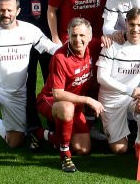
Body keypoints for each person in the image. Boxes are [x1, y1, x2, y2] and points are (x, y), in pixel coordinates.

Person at [0, 0, 60, 167]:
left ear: (18, 11)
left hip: (18, 93)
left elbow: (49, 47)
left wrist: (71, 50)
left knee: (14, 142)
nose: (5, 14)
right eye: (2, 10)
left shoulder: (29, 30)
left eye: (9, 10)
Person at [0, 0, 62, 137]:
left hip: (48, 40)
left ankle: (53, 123)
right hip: (21, 42)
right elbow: (0, 5)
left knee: (52, 83)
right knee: (26, 84)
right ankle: (33, 126)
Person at [37, 18, 102, 173]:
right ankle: (65, 155)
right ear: (68, 36)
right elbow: (58, 94)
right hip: (50, 100)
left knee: (83, 149)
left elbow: (113, 40)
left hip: (75, 103)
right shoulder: (60, 57)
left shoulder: (93, 46)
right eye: (73, 36)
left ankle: (41, 134)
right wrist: (87, 100)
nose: (78, 40)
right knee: (66, 109)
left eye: (81, 35)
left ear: (90, 37)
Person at [96, 8, 140, 155]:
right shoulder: (112, 44)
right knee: (120, 149)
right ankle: (113, 130)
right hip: (111, 99)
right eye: (132, 24)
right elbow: (101, 77)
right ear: (126, 23)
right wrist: (130, 90)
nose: (136, 29)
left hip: (133, 96)